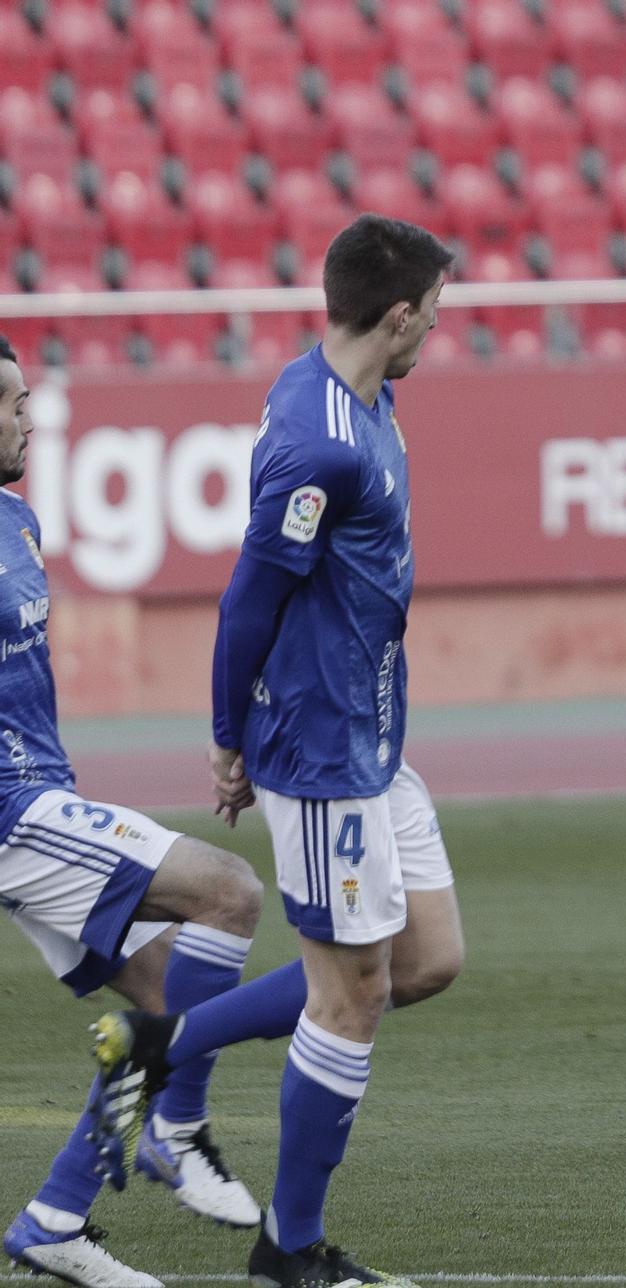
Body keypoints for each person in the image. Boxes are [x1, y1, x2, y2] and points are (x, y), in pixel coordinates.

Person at [90, 214, 463, 1288]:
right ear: (396, 316)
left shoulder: (358, 393)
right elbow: (248, 601)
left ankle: (164, 1044)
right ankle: (287, 1249)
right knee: (351, 998)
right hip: (323, 751)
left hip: (376, 737)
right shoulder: (318, 445)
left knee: (427, 959)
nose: (437, 328)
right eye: (431, 312)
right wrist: (226, 741)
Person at [0, 335, 267, 1288]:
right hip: (8, 811)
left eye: (27, 400)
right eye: (11, 404)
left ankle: (53, 1220)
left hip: (42, 798)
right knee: (229, 892)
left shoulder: (17, 518)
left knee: (164, 1001)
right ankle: (174, 1130)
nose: (27, 419)